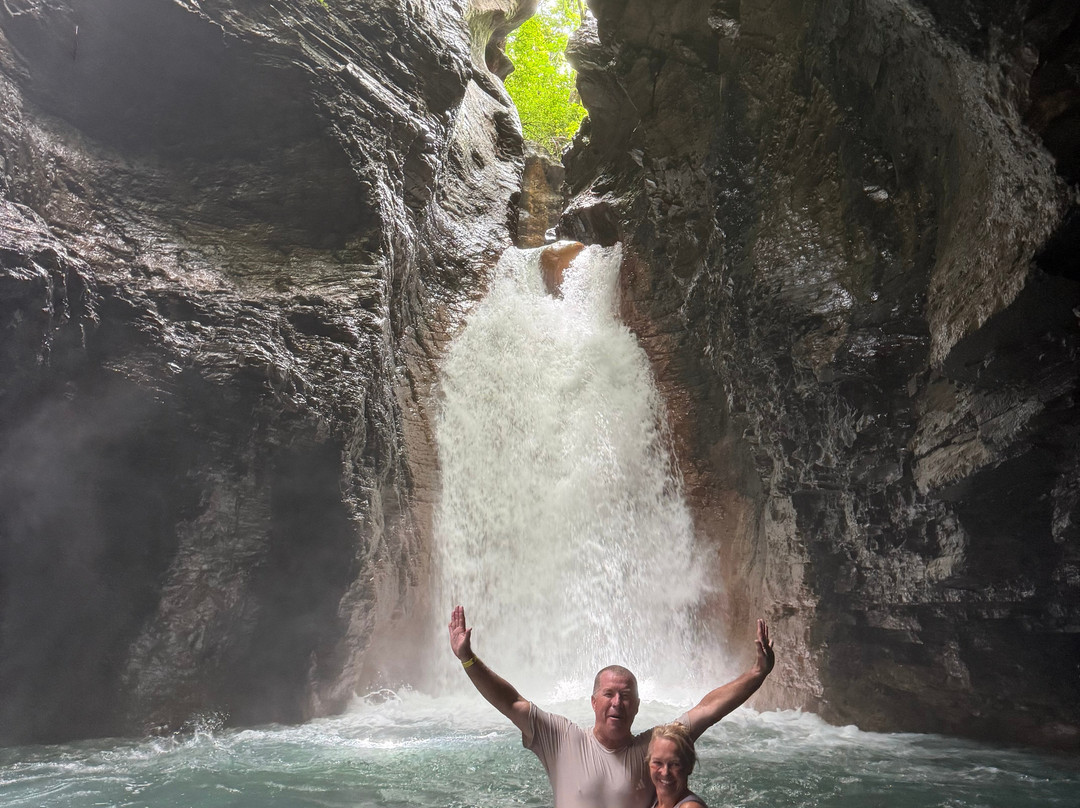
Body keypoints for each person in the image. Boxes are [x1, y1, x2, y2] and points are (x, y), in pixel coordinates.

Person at [447, 605, 775, 808]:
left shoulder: (654, 748)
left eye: (626, 696)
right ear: (593, 702)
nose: (617, 702)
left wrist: (757, 673)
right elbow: (511, 701)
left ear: (636, 707)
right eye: (608, 694)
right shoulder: (561, 738)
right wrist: (468, 659)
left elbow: (708, 709)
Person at [648, 722, 705, 808]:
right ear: (648, 762)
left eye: (675, 764)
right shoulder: (652, 800)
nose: (665, 772)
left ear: (690, 766)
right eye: (658, 763)